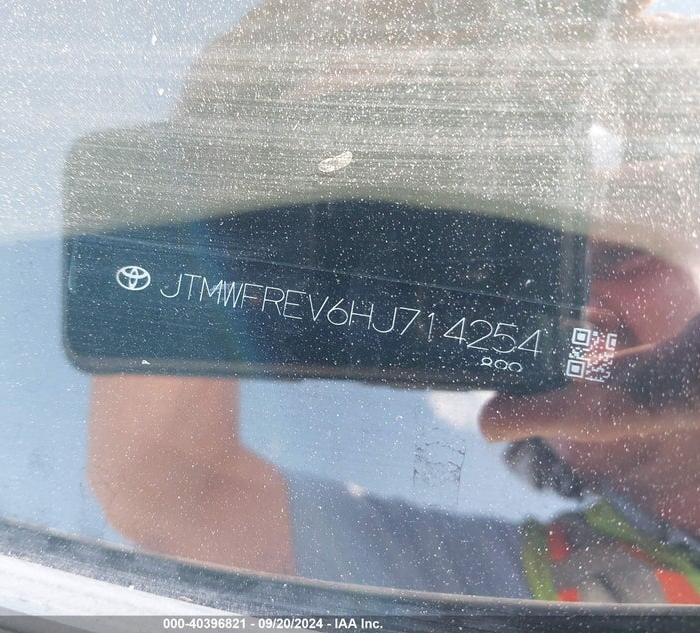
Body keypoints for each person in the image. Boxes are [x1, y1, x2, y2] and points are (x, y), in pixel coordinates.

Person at [72, 0, 700, 602]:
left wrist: (662, 86)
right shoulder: (535, 589)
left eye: (624, 255)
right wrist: (211, 155)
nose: (577, 308)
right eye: (517, 305)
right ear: (543, 434)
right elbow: (171, 489)